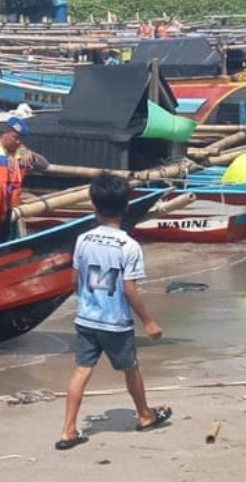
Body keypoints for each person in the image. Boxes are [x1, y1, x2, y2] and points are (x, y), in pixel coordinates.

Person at [55, 174, 172, 450]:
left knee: (81, 371)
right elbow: (129, 288)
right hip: (115, 322)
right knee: (131, 368)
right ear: (126, 206)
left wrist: (84, 300)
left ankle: (68, 429)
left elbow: (74, 280)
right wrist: (149, 322)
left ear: (94, 206)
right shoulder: (129, 246)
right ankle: (144, 415)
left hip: (86, 318)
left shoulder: (83, 239)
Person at [0, 118, 49, 241]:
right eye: (15, 137)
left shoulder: (21, 153)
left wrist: (29, 153)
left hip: (10, 211)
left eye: (21, 139)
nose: (18, 141)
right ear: (5, 132)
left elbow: (44, 165)